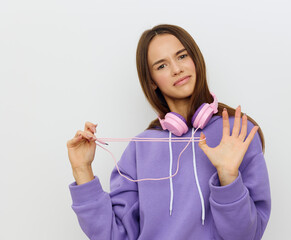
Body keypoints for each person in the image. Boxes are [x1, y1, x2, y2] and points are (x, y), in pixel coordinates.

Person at [67, 24, 271, 240]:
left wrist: (228, 177)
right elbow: (114, 236)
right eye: (162, 66)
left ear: (195, 59)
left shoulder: (236, 132)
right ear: (152, 81)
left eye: (182, 56)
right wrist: (82, 170)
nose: (176, 69)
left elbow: (247, 236)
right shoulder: (140, 147)